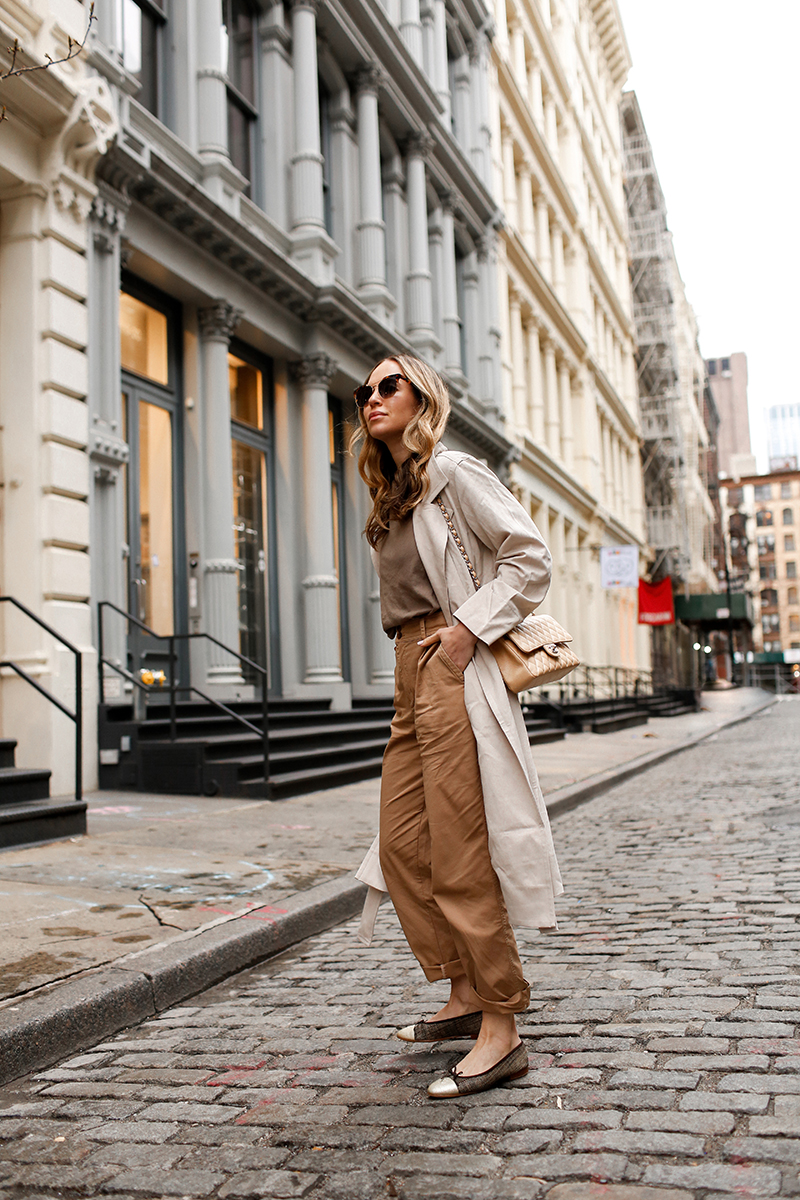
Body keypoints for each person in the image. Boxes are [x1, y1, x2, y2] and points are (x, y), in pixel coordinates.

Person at [351, 354, 564, 1099]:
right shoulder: (392, 491)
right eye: (364, 392)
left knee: (459, 847)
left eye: (387, 386)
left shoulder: (455, 473)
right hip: (409, 670)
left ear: (422, 397)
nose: (371, 399)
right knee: (404, 845)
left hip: (451, 660)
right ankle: (463, 991)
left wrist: (469, 630)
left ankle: (502, 1024)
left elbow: (529, 559)